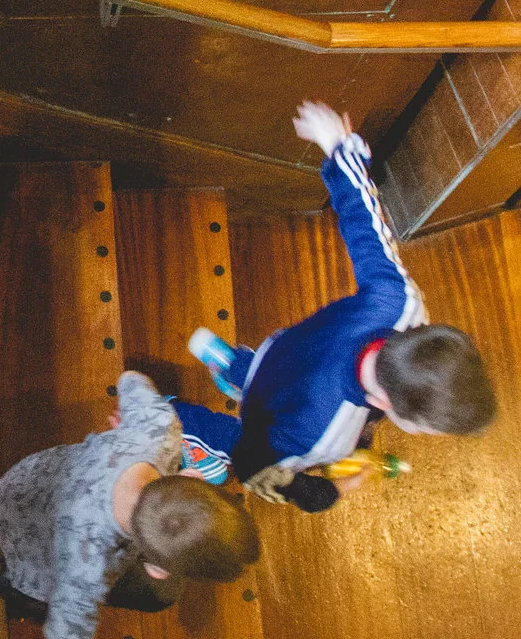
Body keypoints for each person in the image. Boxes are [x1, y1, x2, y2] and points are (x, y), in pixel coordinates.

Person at [180, 100, 497, 512]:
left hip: (285, 352)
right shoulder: (321, 433)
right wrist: (327, 494)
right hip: (272, 415)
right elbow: (260, 469)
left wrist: (340, 148)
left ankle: (239, 368)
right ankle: (193, 423)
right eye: (423, 429)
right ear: (383, 404)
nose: (423, 434)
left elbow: (368, 226)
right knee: (241, 436)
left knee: (267, 371)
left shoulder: (399, 302)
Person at [0, 369, 260, 639]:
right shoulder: (86, 563)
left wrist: (127, 427)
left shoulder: (160, 427)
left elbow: (131, 377)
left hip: (26, 481)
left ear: (192, 477)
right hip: (31, 542)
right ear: (153, 562)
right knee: (149, 596)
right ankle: (17, 597)